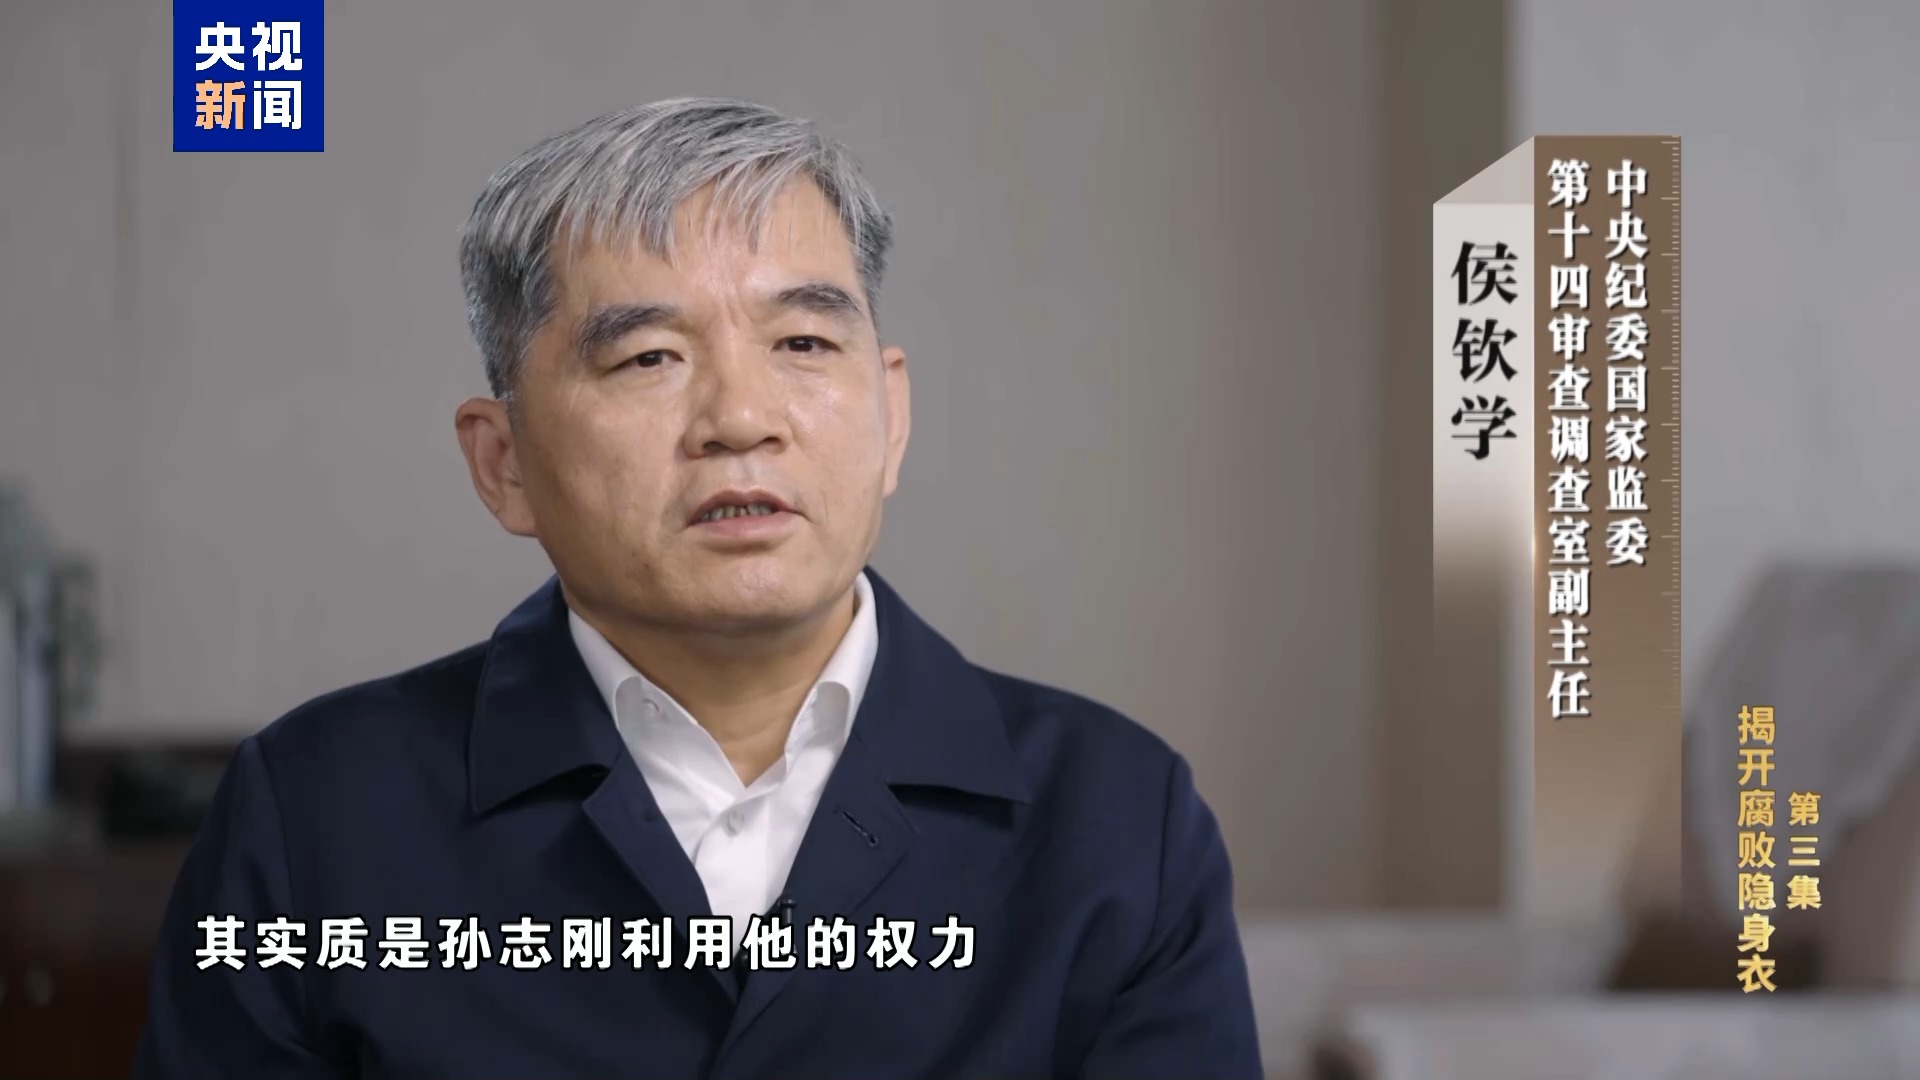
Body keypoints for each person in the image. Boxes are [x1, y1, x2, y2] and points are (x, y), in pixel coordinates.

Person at [134, 97, 1262, 1080]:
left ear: (892, 417)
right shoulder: (315, 817)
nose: (740, 418)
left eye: (804, 343)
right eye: (649, 358)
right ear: (504, 462)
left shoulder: (1118, 821)